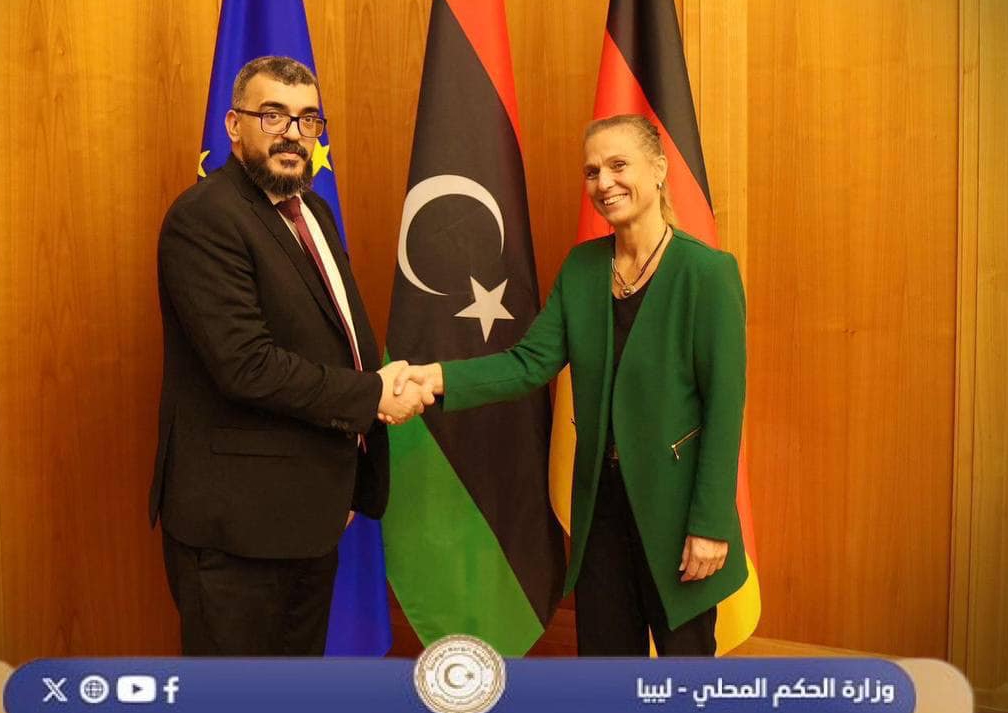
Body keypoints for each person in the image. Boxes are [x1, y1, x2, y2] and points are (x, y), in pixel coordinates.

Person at [394, 113, 748, 656]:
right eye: (592, 171)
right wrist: (437, 378)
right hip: (600, 508)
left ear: (658, 169)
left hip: (679, 513)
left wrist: (711, 524)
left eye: (618, 165)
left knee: (684, 671)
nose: (604, 182)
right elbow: (529, 362)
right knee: (605, 664)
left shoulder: (707, 273)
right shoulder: (583, 267)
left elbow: (725, 407)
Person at [149, 55, 431, 655]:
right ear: (234, 125)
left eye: (307, 120)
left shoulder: (312, 211)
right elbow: (246, 365)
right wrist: (373, 396)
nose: (293, 135)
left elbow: (336, 336)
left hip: (308, 513)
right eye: (273, 116)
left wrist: (352, 462)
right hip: (237, 530)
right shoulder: (205, 218)